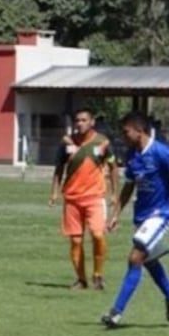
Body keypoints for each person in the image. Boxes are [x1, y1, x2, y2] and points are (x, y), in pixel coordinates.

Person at [101, 112, 169, 328]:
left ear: (139, 130)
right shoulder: (133, 156)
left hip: (161, 215)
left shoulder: (162, 152)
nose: (123, 137)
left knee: (135, 258)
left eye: (126, 132)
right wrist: (115, 214)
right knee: (149, 261)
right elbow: (129, 186)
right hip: (142, 217)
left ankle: (116, 312)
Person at [49, 109, 118, 290]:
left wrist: (114, 193)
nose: (80, 123)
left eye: (84, 120)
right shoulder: (67, 143)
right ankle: (81, 280)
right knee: (76, 241)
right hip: (72, 198)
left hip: (95, 197)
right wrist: (54, 192)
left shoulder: (102, 142)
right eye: (77, 120)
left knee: (97, 234)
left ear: (92, 122)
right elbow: (58, 169)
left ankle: (98, 274)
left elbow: (113, 167)